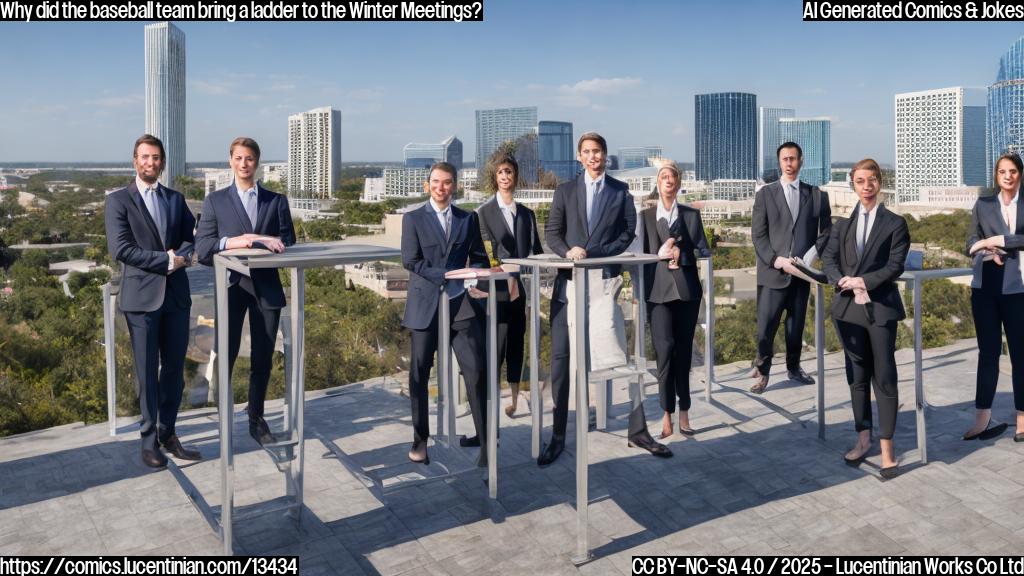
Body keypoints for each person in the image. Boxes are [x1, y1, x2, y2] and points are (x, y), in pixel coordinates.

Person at [541, 132, 669, 466]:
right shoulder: (565, 191)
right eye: (587, 152)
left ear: (605, 155)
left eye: (597, 151)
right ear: (579, 157)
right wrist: (568, 252)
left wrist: (594, 253)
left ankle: (637, 429)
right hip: (568, 286)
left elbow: (627, 234)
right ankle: (557, 436)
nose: (593, 157)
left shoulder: (619, 191)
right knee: (560, 362)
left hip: (604, 285)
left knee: (617, 358)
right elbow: (552, 233)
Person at [104, 134, 201, 468]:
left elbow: (193, 238)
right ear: (135, 160)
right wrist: (168, 261)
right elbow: (121, 249)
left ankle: (168, 433)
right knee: (146, 373)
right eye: (145, 157)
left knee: (174, 370)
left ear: (163, 162)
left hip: (176, 298)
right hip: (141, 300)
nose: (151, 163)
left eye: (157, 157)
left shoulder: (175, 198)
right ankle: (148, 442)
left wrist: (183, 257)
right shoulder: (118, 201)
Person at [195, 137, 295, 446]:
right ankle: (223, 415)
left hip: (266, 288)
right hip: (233, 286)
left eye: (249, 158)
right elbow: (203, 248)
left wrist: (263, 239)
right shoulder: (216, 201)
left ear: (257, 162)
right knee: (225, 354)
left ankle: (256, 418)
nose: (244, 163)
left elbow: (287, 239)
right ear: (230, 161)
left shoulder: (275, 200)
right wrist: (242, 240)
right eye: (239, 158)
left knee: (262, 359)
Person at [822, 158, 909, 479]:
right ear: (853, 185)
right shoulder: (842, 224)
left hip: (880, 307)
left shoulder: (895, 223)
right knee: (857, 376)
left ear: (880, 183)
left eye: (872, 180)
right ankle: (863, 439)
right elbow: (829, 259)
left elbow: (895, 265)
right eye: (860, 181)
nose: (867, 186)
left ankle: (887, 450)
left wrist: (864, 281)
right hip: (847, 308)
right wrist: (840, 279)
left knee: (884, 376)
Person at [401, 161, 491, 466]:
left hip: (460, 305)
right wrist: (448, 274)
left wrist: (475, 278)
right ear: (428, 185)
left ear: (455, 186)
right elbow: (411, 261)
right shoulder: (412, 219)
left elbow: (479, 258)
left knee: (476, 370)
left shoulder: (468, 218)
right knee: (419, 375)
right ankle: (420, 440)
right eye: (436, 182)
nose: (442, 187)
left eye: (448, 182)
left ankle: (486, 443)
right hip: (425, 305)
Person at [750, 142, 832, 394]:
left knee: (795, 326)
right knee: (766, 327)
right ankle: (763, 372)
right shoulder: (765, 194)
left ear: (801, 161)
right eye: (785, 159)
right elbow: (758, 235)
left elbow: (826, 232)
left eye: (793, 158)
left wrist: (808, 259)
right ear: (779, 162)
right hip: (773, 272)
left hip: (801, 274)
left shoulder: (818, 195)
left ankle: (794, 367)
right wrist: (775, 260)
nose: (789, 163)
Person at [638, 160, 710, 439]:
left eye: (673, 177)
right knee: (664, 352)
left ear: (679, 184)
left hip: (687, 293)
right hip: (657, 293)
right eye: (663, 176)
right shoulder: (645, 216)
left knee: (684, 354)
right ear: (658, 183)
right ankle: (665, 414)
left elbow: (704, 248)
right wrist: (659, 254)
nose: (668, 180)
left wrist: (683, 253)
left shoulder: (691, 215)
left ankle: (684, 413)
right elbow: (639, 254)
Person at [476, 152, 543, 419]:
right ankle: (489, 407)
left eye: (509, 172)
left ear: (515, 176)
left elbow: (536, 252)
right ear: (495, 177)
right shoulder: (483, 213)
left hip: (521, 292)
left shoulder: (526, 215)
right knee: (496, 348)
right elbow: (484, 253)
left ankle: (515, 402)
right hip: (495, 292)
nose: (505, 176)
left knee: (517, 345)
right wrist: (507, 275)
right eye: (501, 172)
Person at [962, 152, 1024, 442]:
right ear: (996, 175)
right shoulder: (984, 204)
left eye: (1012, 171)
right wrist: (985, 248)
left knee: (1020, 355)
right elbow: (970, 242)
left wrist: (999, 240)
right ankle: (983, 417)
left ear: (1020, 174)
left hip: (1019, 288)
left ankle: (1022, 417)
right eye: (1002, 171)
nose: (1008, 176)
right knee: (987, 353)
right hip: (986, 287)